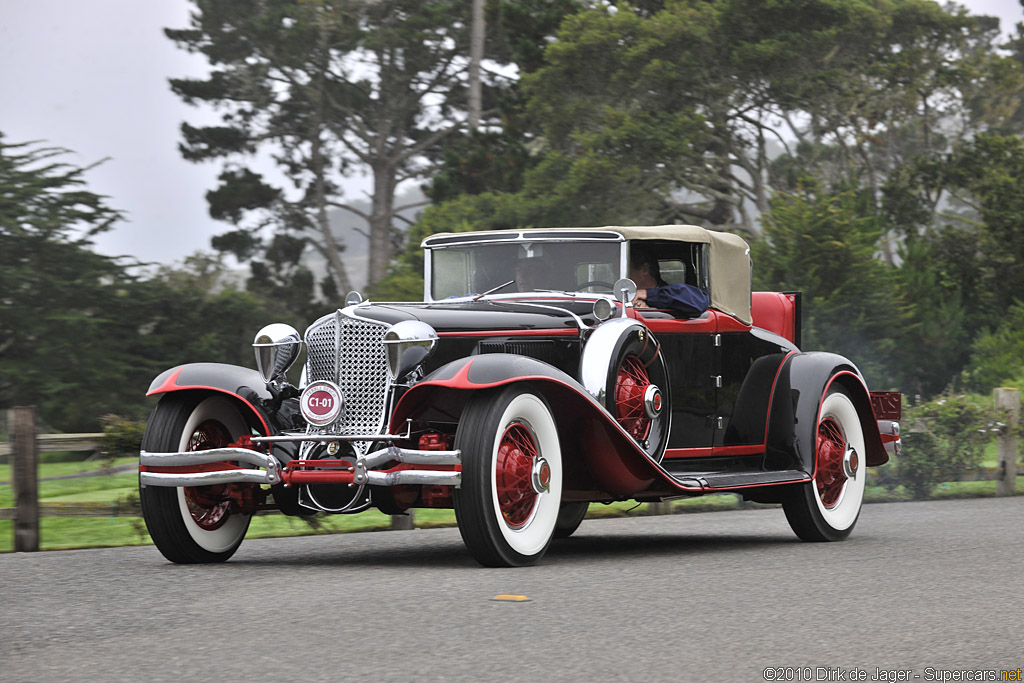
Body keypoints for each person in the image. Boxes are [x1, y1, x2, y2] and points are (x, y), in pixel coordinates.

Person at [628, 246, 710, 316]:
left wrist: (647, 294)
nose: (622, 279)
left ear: (644, 269)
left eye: (626, 271)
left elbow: (699, 302)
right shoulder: (618, 297)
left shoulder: (671, 296)